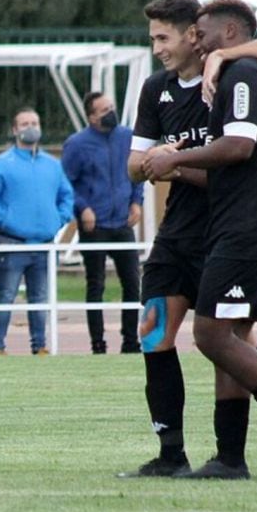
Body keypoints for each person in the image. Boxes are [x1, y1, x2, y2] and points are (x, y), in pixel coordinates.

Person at [142, 0, 257, 480]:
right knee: (213, 337)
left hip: (245, 229)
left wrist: (176, 160)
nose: (195, 43)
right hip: (222, 230)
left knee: (214, 335)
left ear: (225, 34)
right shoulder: (215, 76)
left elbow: (240, 145)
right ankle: (229, 455)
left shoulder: (242, 72)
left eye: (200, 35)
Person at [120, 0, 209, 476]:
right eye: (152, 37)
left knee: (228, 344)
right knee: (153, 333)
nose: (156, 47)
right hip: (176, 234)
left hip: (225, 233)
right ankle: (171, 454)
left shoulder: (229, 84)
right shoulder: (157, 90)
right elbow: (135, 166)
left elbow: (235, 167)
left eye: (162, 37)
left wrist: (176, 162)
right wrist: (159, 160)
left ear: (193, 35)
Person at [0, 108, 74, 356]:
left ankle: (39, 345)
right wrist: (10, 221)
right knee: (6, 295)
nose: (30, 127)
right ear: (14, 130)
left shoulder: (53, 165)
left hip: (44, 243)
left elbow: (67, 197)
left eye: (34, 122)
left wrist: (58, 219)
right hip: (12, 243)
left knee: (40, 298)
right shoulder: (1, 164)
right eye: (24, 123)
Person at [61, 92, 142, 354]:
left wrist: (136, 201)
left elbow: (136, 172)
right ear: (92, 116)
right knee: (95, 284)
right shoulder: (76, 144)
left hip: (122, 223)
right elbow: (66, 183)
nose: (110, 112)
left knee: (132, 283)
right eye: (104, 109)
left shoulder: (127, 137)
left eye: (112, 106)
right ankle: (98, 343)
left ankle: (131, 341)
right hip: (94, 226)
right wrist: (82, 208)